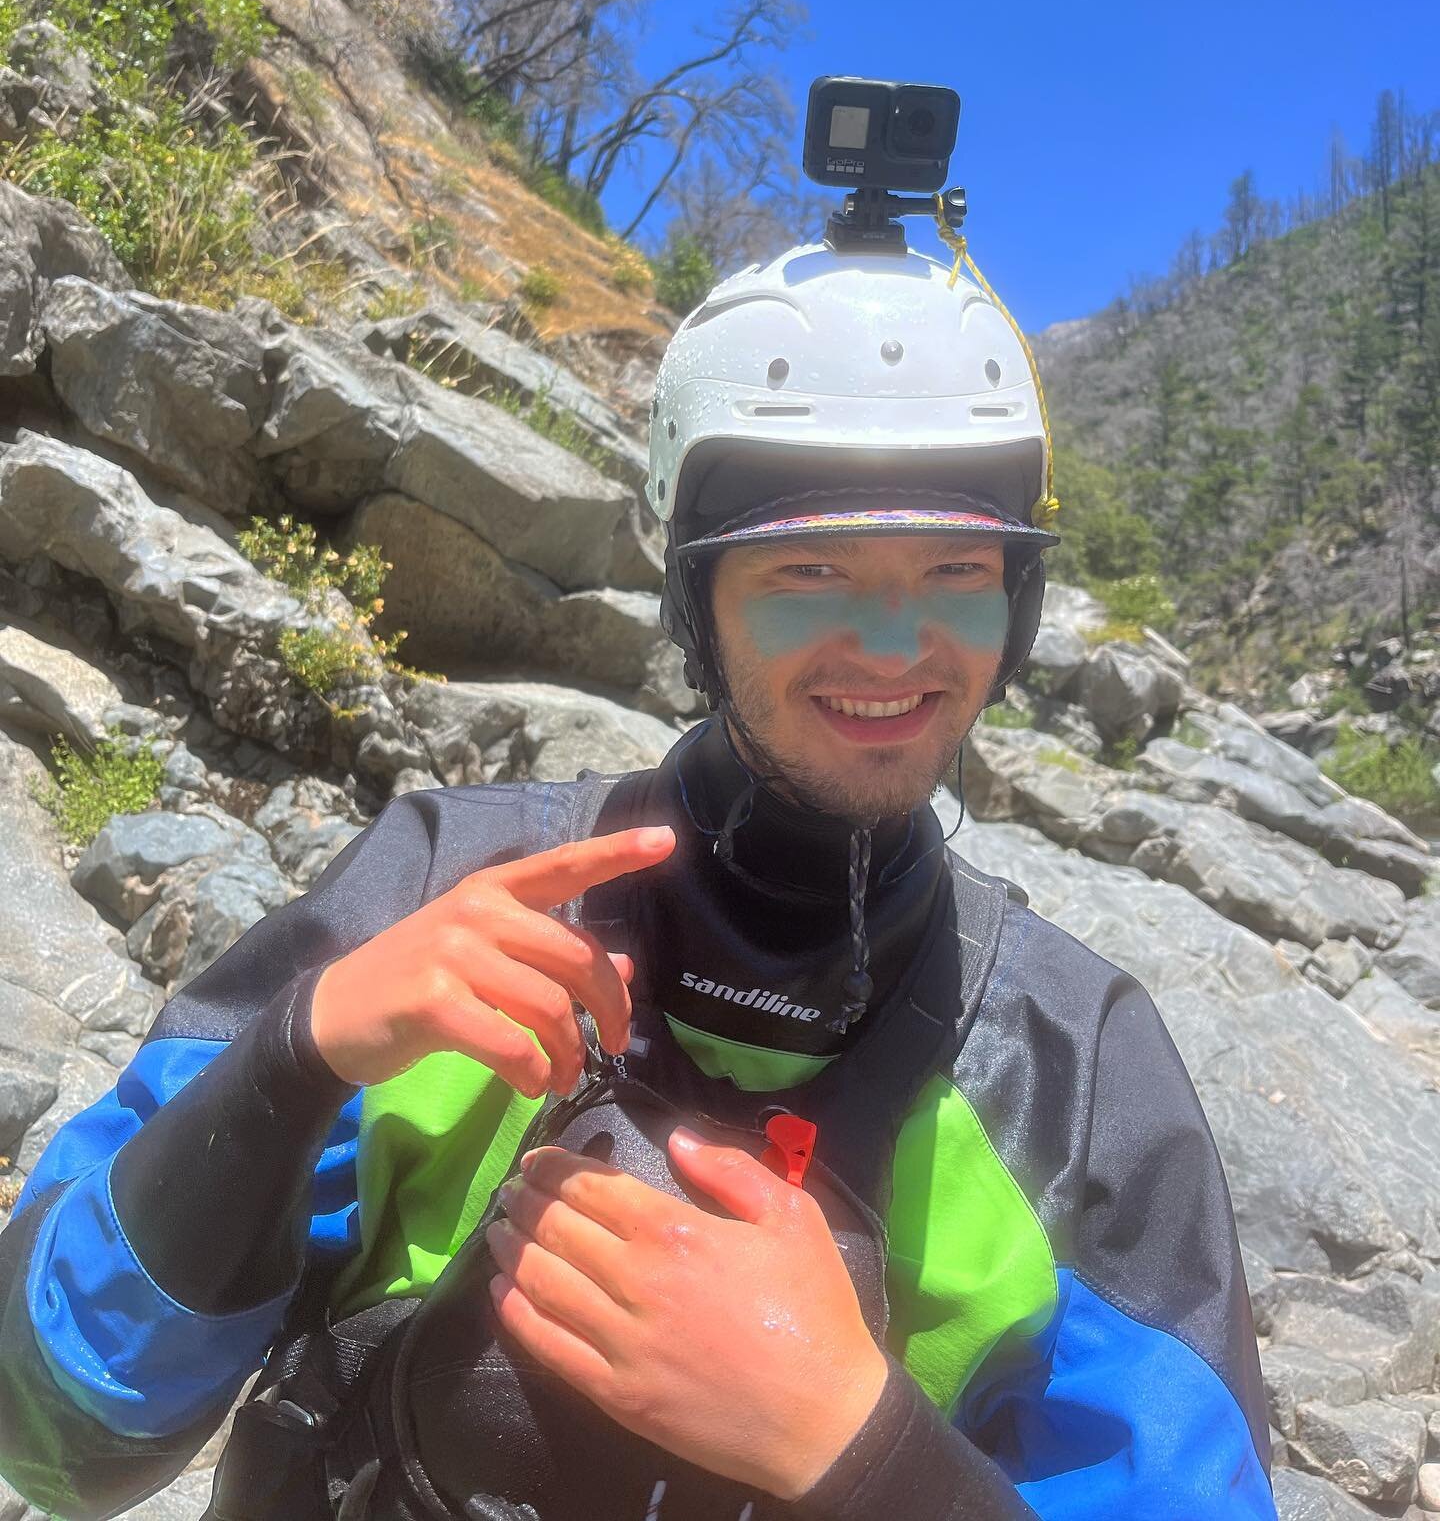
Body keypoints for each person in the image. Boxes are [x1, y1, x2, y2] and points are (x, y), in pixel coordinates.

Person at [0, 241, 1276, 1521]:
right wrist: (293, 1059)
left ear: (1020, 605)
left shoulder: (1078, 1072)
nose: (895, 647)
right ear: (697, 599)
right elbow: (51, 1433)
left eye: (957, 570)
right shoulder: (436, 887)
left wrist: (864, 1448)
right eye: (810, 570)